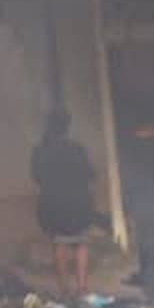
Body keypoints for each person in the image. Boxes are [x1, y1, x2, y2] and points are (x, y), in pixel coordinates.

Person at [30, 109, 95, 295]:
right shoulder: (77, 149)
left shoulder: (40, 150)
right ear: (67, 128)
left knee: (59, 244)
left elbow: (36, 177)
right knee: (81, 244)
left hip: (54, 205)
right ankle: (83, 287)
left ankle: (64, 289)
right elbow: (90, 174)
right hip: (79, 203)